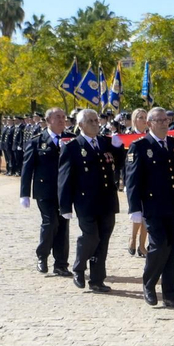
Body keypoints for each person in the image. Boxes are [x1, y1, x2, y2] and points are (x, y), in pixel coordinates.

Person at [125, 107, 174, 308]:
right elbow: (132, 179)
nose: (163, 123)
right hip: (153, 206)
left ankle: (171, 294)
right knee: (159, 246)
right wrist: (134, 208)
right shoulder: (140, 146)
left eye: (166, 120)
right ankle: (149, 283)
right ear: (150, 123)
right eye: (159, 120)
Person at [58, 107, 119, 292]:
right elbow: (65, 178)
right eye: (91, 121)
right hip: (86, 201)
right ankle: (78, 267)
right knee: (91, 237)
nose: (95, 124)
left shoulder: (105, 142)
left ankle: (97, 280)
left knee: (103, 241)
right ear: (81, 125)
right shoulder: (73, 147)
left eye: (96, 120)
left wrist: (119, 149)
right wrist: (65, 206)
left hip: (107, 199)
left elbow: (120, 165)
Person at [19, 107, 71, 276]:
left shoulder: (71, 140)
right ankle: (42, 256)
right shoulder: (37, 141)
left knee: (63, 225)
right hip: (45, 191)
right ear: (49, 121)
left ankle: (61, 263)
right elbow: (27, 169)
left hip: (64, 192)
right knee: (50, 223)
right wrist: (24, 193)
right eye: (58, 117)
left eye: (64, 117)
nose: (62, 120)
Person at [124, 108, 150, 258]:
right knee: (136, 213)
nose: (143, 120)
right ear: (134, 120)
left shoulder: (149, 137)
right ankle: (132, 239)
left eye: (145, 117)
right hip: (133, 180)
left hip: (148, 180)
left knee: (146, 213)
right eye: (140, 117)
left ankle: (142, 245)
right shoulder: (127, 136)